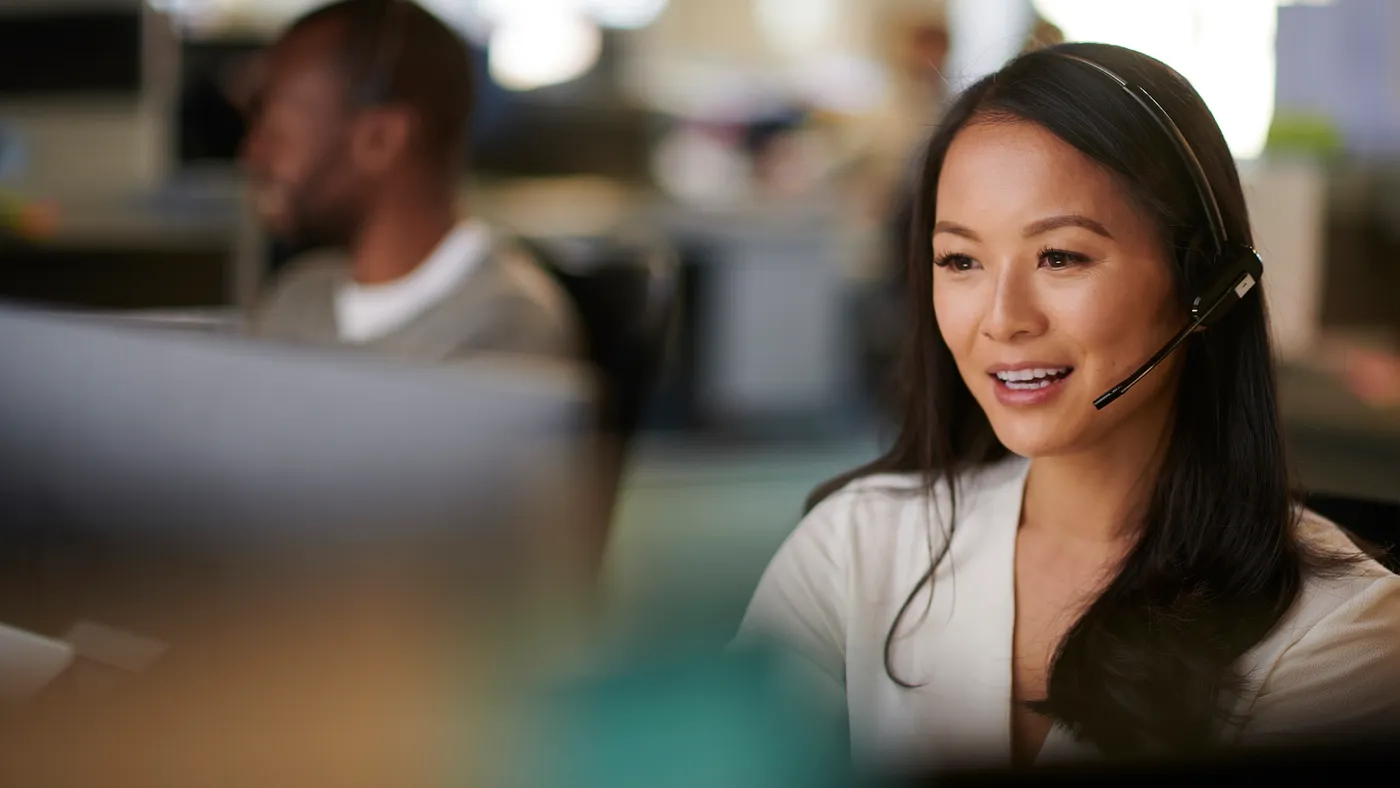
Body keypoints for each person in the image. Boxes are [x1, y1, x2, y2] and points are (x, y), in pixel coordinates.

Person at [737, 43, 1400, 772]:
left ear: (1205, 285)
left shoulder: (1347, 630)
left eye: (1059, 257)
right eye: (961, 261)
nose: (1001, 319)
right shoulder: (855, 546)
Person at [242, 0, 581, 362]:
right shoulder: (297, 301)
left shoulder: (508, 328)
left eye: (277, 129)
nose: (253, 152)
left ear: (381, 139)